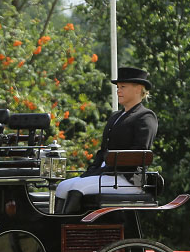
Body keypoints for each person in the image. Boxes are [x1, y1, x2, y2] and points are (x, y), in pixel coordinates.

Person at [53, 66, 158, 213]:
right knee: (62, 186)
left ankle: (66, 231)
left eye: (123, 87)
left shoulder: (145, 117)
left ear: (138, 89)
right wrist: (93, 170)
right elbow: (103, 150)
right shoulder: (116, 116)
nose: (118, 90)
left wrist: (107, 169)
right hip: (106, 174)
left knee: (77, 188)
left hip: (127, 178)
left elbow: (139, 153)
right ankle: (60, 229)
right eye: (118, 87)